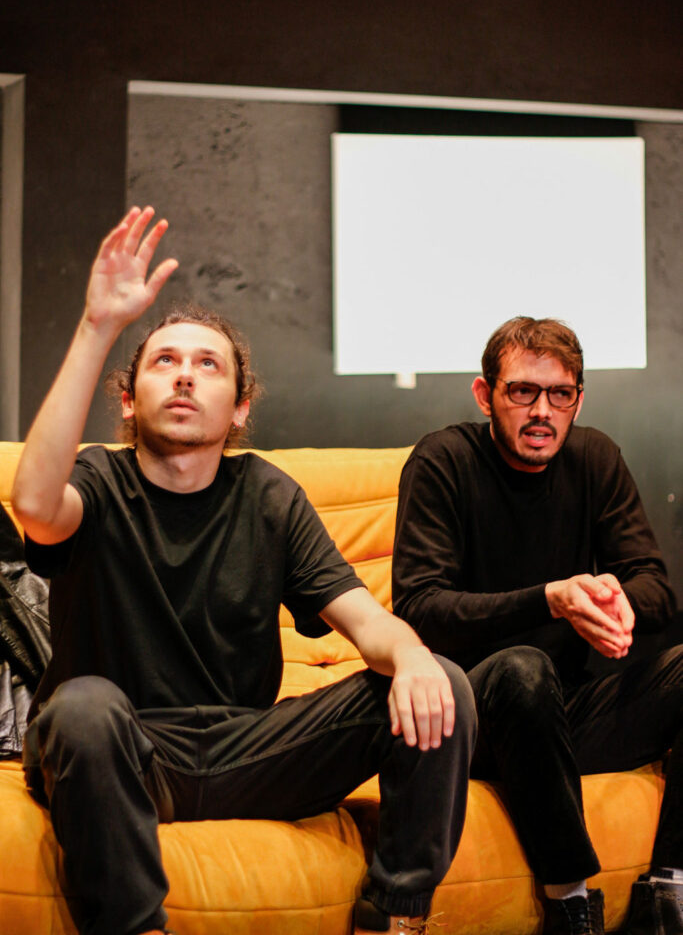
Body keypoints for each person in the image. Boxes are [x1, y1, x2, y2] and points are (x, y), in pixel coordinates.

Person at [12, 207, 477, 935]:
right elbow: (37, 507)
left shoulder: (268, 496)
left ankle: (395, 916)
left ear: (238, 407)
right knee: (81, 707)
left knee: (439, 681)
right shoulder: (99, 479)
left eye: (208, 365)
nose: (185, 376)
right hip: (123, 748)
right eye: (163, 362)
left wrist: (413, 656)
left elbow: (365, 620)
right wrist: (99, 326)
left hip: (249, 750)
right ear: (129, 400)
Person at [392, 316, 683, 935]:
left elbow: (654, 585)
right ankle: (572, 904)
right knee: (524, 668)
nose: (542, 412)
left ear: (579, 399)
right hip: (469, 722)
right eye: (523, 391)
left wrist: (619, 600)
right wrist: (548, 601)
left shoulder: (595, 457)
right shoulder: (443, 461)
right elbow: (420, 608)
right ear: (485, 394)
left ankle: (670, 888)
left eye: (560, 394)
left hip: (565, 716)